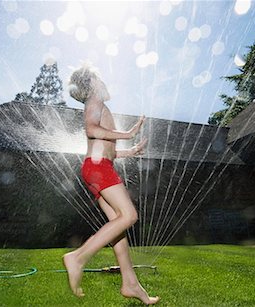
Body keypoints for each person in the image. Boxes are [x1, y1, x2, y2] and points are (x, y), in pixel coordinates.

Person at [63, 62, 160, 305]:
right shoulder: (95, 102)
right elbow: (91, 130)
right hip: (99, 169)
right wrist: (126, 135)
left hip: (97, 167)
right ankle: (78, 257)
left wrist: (131, 151)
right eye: (100, 79)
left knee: (119, 226)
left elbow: (109, 152)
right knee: (129, 216)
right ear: (93, 84)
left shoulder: (99, 106)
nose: (105, 83)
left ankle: (130, 283)